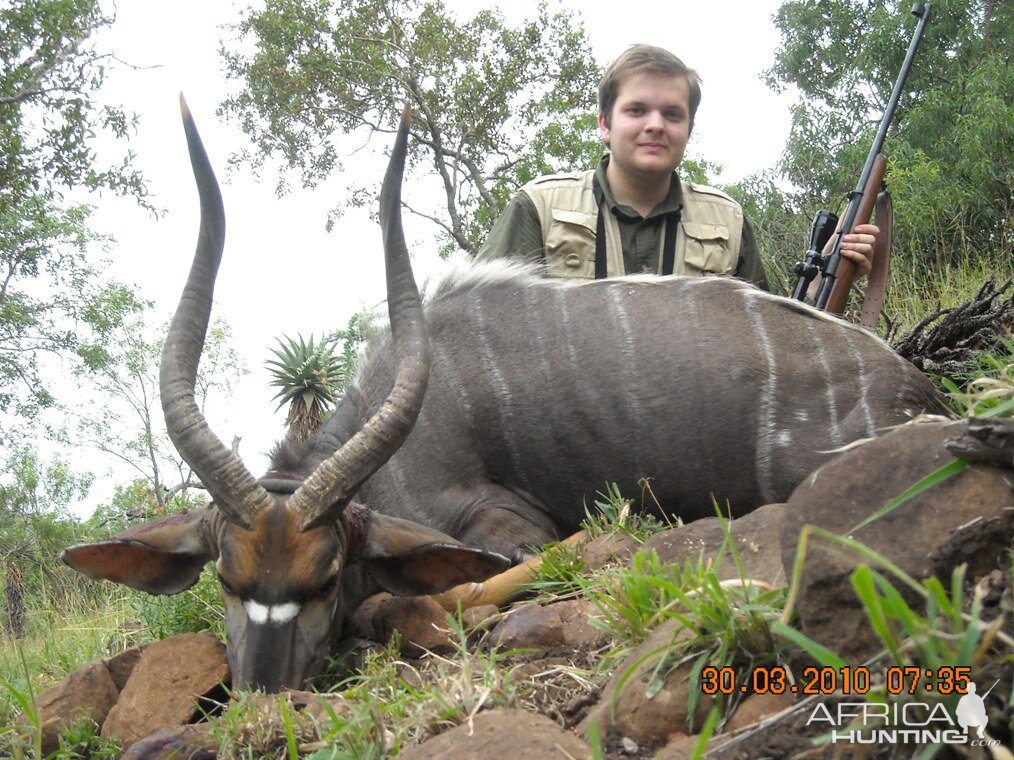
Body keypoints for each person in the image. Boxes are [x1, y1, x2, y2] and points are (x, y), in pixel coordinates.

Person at [475, 44, 877, 293]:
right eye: (636, 110)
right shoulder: (540, 207)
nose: (655, 125)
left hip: (693, 423)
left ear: (689, 128)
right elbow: (480, 324)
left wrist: (829, 278)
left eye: (672, 113)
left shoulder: (727, 221)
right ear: (605, 123)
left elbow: (764, 342)